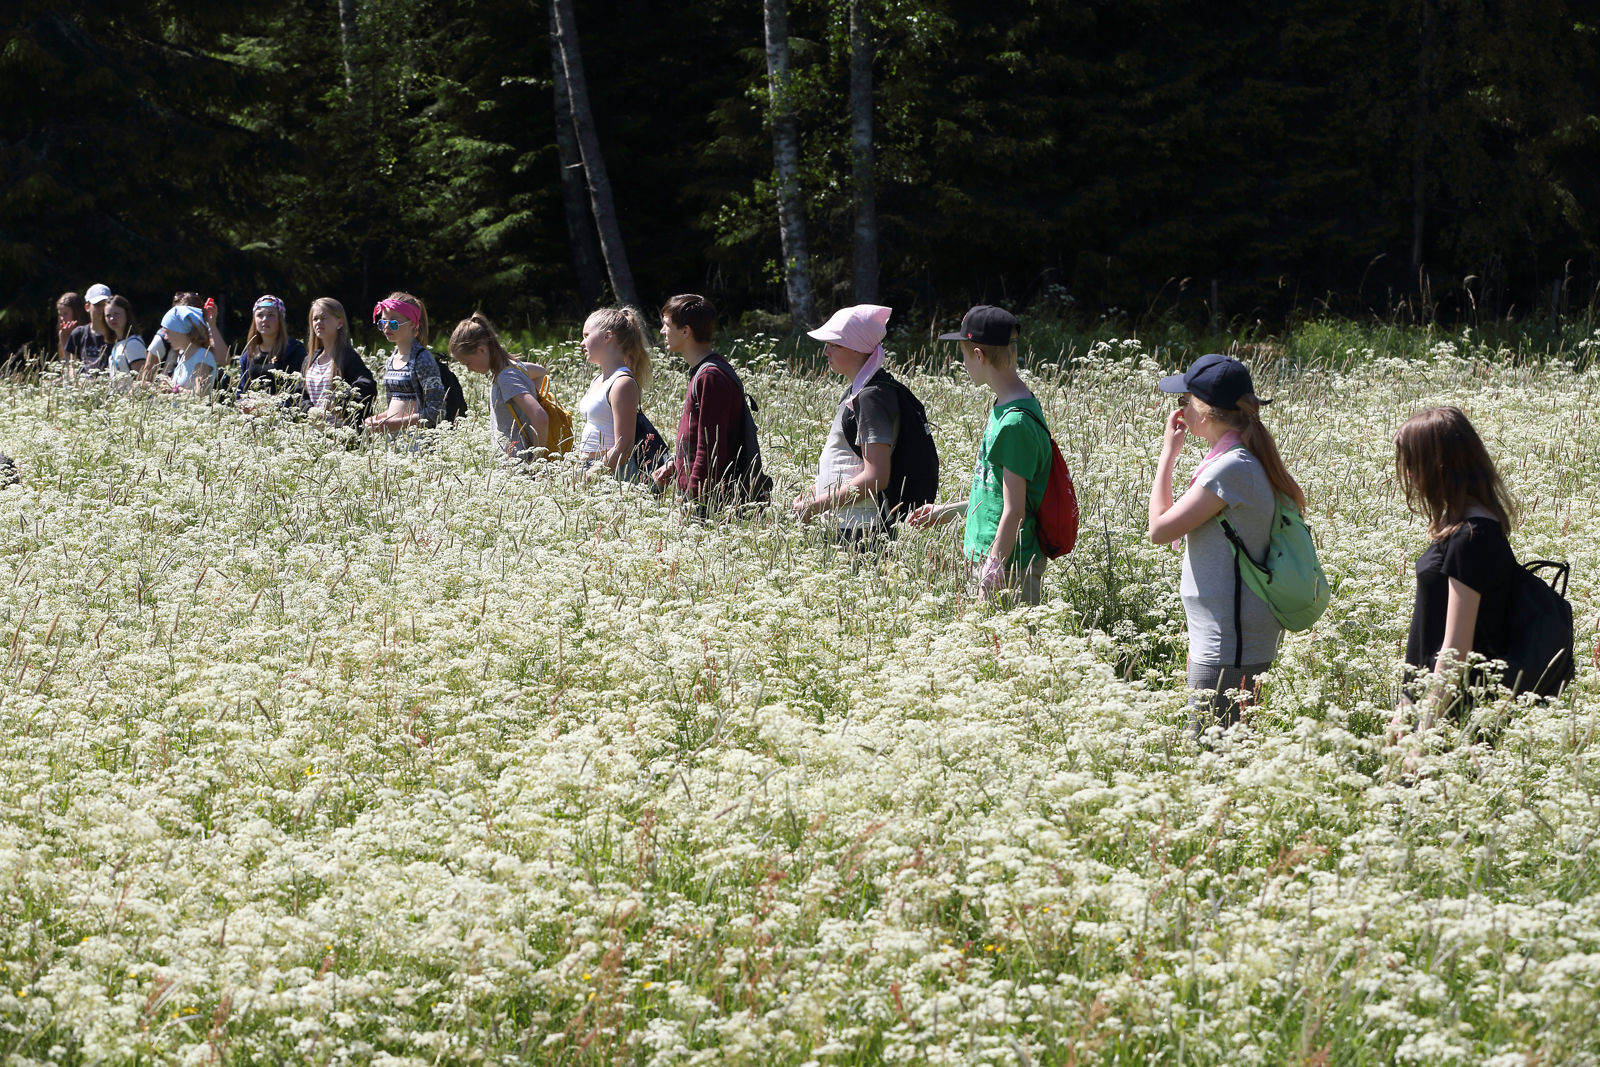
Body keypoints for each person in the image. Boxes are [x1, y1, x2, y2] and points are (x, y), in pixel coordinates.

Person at [1145, 353, 1306, 733]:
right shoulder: (1236, 460)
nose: (1180, 408)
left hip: (1229, 646)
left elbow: (1159, 529)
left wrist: (1167, 455)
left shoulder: (1232, 467)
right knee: (1222, 757)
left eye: (1184, 400)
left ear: (1204, 410)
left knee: (1211, 758)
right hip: (1226, 640)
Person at [908, 306, 1051, 605]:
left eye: (963, 356)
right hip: (995, 558)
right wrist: (948, 511)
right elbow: (999, 493)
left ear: (978, 355)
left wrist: (993, 568)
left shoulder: (1015, 422)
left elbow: (1015, 510)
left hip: (1010, 567)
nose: (963, 364)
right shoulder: (1005, 405)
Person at [1393, 406, 1520, 719]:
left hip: (1452, 716)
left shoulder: (1471, 539)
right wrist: (1406, 704)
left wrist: (1424, 733)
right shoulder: (1468, 528)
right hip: (1433, 704)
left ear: (1440, 465)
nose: (1408, 473)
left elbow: (1455, 650)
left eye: (1413, 463)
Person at [794, 303, 939, 540]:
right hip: (849, 523)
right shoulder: (859, 391)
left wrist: (816, 505)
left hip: (861, 530)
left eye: (834, 344)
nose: (825, 352)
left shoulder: (871, 396)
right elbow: (848, 463)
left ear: (856, 349)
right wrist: (812, 494)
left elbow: (876, 476)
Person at [651, 293, 766, 508]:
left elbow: (710, 449)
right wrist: (675, 464)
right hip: (704, 496)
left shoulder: (710, 377)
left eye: (667, 325)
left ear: (686, 331)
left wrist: (693, 502)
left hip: (710, 504)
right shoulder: (706, 372)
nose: (662, 331)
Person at [449, 312, 550, 458]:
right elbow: (541, 372)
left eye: (468, 363)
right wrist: (533, 395)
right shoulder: (515, 366)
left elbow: (540, 416)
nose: (469, 369)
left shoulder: (506, 377)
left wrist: (538, 460)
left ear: (481, 350)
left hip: (518, 464)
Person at [574, 307, 657, 478]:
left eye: (586, 336)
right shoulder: (597, 379)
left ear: (607, 336)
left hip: (611, 472)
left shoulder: (622, 383)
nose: (582, 343)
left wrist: (590, 475)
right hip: (590, 467)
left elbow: (624, 446)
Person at [365, 292, 447, 433]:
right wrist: (379, 419)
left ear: (413, 325)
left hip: (417, 443)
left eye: (394, 323)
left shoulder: (422, 359)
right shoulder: (391, 360)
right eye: (383, 322)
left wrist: (395, 424)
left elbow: (436, 412)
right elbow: (393, 408)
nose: (386, 327)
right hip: (394, 442)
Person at [297, 298, 376, 425]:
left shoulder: (348, 357)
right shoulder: (309, 360)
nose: (319, 322)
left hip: (340, 436)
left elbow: (367, 385)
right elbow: (300, 395)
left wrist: (340, 402)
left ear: (339, 323)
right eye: (315, 319)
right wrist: (309, 410)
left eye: (324, 318)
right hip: (312, 435)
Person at [236, 295, 307, 401]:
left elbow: (299, 390)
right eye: (260, 315)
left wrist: (271, 402)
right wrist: (244, 404)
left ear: (280, 319)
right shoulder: (248, 354)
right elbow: (241, 391)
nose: (265, 319)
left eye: (271, 315)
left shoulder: (295, 351)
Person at [159, 304, 219, 395]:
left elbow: (202, 394)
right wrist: (170, 385)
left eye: (167, 332)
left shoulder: (201, 356)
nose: (165, 337)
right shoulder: (184, 355)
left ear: (180, 330)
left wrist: (175, 389)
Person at [59, 283, 112, 376]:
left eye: (105, 304)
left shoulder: (115, 334)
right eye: (97, 305)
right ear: (87, 307)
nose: (102, 309)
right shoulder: (78, 334)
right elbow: (72, 365)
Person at [102, 295, 150, 387]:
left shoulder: (133, 344)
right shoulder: (118, 344)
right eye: (108, 315)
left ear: (127, 314)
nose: (112, 318)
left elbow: (141, 380)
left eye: (116, 314)